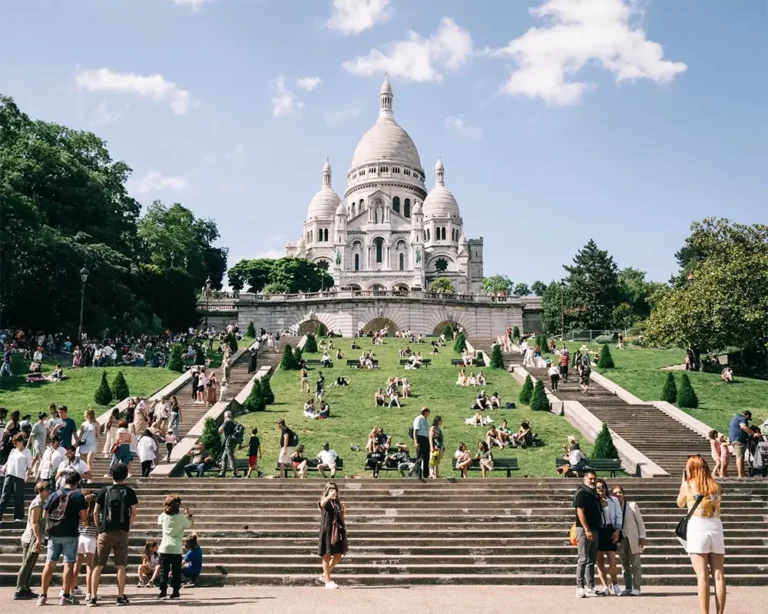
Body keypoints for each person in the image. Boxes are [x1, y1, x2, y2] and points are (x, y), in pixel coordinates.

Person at [676, 455, 726, 614]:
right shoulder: (715, 485)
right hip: (716, 527)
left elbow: (680, 503)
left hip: (698, 527)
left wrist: (682, 484)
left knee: (702, 576)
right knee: (719, 575)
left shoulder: (688, 485)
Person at [89, 462, 139, 607]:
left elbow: (95, 511)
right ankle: (120, 596)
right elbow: (134, 512)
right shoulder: (129, 491)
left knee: (98, 565)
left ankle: (93, 597)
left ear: (112, 474)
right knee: (121, 565)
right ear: (125, 475)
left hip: (105, 532)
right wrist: (127, 527)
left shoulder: (104, 490)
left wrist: (99, 528)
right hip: (121, 532)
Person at [37, 471, 88, 606]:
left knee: (49, 563)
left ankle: (43, 596)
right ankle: (65, 596)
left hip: (54, 533)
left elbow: (44, 514)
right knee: (68, 564)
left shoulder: (54, 494)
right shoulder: (78, 496)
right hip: (70, 533)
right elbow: (84, 517)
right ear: (77, 483)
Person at [14, 481, 50, 600]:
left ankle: (25, 587)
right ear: (41, 490)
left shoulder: (42, 502)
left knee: (30, 564)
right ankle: (19, 589)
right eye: (47, 489)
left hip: (36, 536)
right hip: (31, 537)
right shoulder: (37, 503)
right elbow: (34, 523)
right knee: (27, 563)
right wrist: (39, 539)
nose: (49, 491)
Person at [157, 494, 195, 600]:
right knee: (176, 571)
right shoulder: (181, 517)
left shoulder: (163, 516)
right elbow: (190, 525)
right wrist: (190, 516)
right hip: (176, 547)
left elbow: (159, 521)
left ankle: (163, 591)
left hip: (164, 547)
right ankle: (175, 592)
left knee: (163, 571)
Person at [612, 485, 645, 596]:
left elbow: (640, 522)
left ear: (623, 494)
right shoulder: (614, 507)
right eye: (615, 493)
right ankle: (628, 586)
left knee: (635, 563)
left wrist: (642, 536)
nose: (618, 495)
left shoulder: (632, 505)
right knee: (624, 564)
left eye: (619, 492)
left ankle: (637, 587)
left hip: (633, 538)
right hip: (621, 540)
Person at [574, 471, 602, 598]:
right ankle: (580, 587)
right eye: (590, 479)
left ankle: (590, 586)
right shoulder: (582, 493)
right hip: (584, 529)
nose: (593, 481)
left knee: (591, 559)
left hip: (595, 528)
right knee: (583, 559)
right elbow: (580, 512)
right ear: (585, 479)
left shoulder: (593, 493)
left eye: (594, 479)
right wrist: (587, 529)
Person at [595, 478, 623, 596]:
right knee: (600, 560)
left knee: (612, 559)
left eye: (603, 487)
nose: (601, 489)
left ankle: (615, 584)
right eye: (598, 487)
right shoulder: (594, 501)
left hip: (610, 529)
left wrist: (617, 530)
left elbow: (618, 516)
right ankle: (605, 586)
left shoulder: (613, 500)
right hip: (598, 530)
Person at [318, 482, 347, 589]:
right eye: (330, 489)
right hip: (327, 531)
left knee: (338, 556)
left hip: (336, 531)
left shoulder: (337, 503)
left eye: (334, 489)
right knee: (326, 555)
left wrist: (343, 512)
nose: (333, 491)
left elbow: (340, 519)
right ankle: (328, 581)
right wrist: (328, 496)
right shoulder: (325, 501)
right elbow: (321, 504)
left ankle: (324, 575)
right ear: (326, 491)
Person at [73, 491, 98, 603]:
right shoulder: (95, 513)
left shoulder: (80, 512)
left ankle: (70, 589)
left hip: (80, 537)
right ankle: (89, 593)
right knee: (90, 567)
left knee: (76, 566)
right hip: (91, 538)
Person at [0, 433, 32, 522]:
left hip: (19, 476)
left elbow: (29, 466)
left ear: (21, 441)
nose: (14, 444)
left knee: (18, 497)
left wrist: (27, 474)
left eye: (16, 442)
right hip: (9, 474)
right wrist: (4, 466)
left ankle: (18, 517)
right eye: (13, 443)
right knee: (4, 496)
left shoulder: (27, 451)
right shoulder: (13, 451)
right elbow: (8, 461)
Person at [728, 410, 754, 478]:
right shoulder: (743, 418)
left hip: (733, 439)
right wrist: (753, 433)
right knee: (740, 457)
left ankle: (742, 473)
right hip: (739, 440)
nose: (747, 420)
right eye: (748, 419)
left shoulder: (734, 418)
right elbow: (743, 427)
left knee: (740, 457)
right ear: (747, 415)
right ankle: (740, 475)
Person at [217, 410, 241, 478]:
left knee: (230, 457)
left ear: (225, 416)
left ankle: (234, 473)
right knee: (224, 458)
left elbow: (220, 431)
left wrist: (222, 424)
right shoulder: (234, 422)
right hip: (232, 442)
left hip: (229, 442)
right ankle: (222, 472)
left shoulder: (227, 421)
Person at [77, 409, 99, 475]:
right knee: (83, 462)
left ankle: (90, 476)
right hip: (84, 444)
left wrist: (101, 444)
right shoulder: (83, 424)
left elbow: (98, 434)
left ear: (89, 415)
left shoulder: (96, 424)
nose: (84, 415)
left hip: (92, 444)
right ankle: (84, 476)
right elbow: (81, 434)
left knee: (89, 461)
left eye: (85, 414)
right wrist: (78, 442)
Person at [412, 407, 431, 480]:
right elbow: (415, 431)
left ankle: (426, 474)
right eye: (428, 412)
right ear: (425, 412)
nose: (429, 413)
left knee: (427, 457)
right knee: (420, 457)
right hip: (420, 438)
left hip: (426, 439)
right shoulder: (418, 419)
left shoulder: (425, 420)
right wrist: (416, 441)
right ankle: (418, 474)